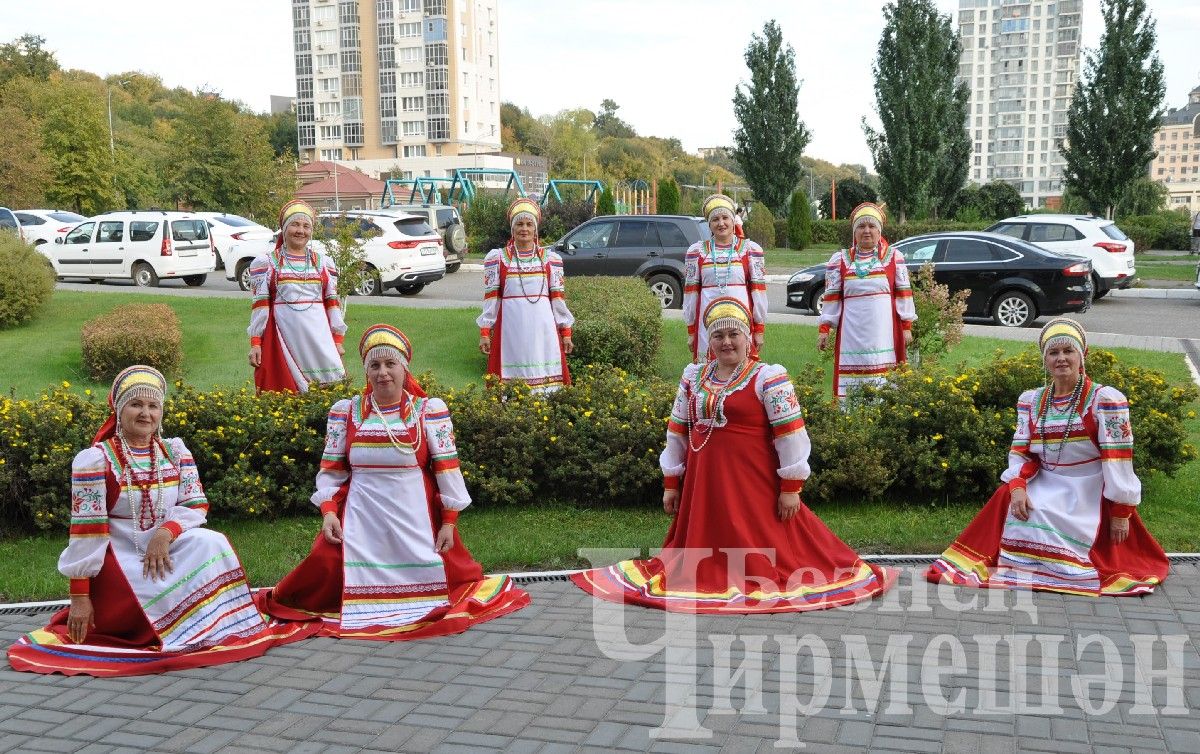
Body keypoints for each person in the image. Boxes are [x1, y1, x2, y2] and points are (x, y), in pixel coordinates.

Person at [572, 299, 894, 613]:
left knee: (772, 552)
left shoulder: (769, 379)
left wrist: (790, 489)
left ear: (748, 337)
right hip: (704, 488)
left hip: (751, 488)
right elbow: (678, 431)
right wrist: (672, 481)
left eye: (733, 334)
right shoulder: (693, 377)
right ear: (709, 340)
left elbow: (791, 436)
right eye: (718, 335)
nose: (726, 342)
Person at [8, 366, 314, 676]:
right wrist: (79, 597)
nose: (145, 413)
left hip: (166, 545)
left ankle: (207, 622)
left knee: (212, 541)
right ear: (118, 409)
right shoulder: (96, 460)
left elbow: (195, 504)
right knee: (138, 596)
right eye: (136, 405)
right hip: (119, 554)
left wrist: (164, 534)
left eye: (153, 406)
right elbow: (87, 533)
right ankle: (164, 623)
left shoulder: (174, 451)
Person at [259, 324, 530, 638]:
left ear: (405, 368)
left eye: (391, 364)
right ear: (366, 371)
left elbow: (447, 470)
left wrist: (449, 522)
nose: (383, 372)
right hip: (362, 512)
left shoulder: (428, 411)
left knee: (450, 573)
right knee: (325, 563)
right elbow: (332, 471)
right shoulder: (345, 413)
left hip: (413, 512)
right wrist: (330, 512)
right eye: (374, 365)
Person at [927, 318, 1169, 596]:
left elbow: (1118, 459)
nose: (1061, 358)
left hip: (1088, 486)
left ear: (1082, 356)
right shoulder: (1031, 401)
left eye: (1068, 351)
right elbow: (1020, 451)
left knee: (1040, 512)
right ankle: (1013, 562)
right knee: (1007, 496)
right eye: (1053, 353)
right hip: (1047, 478)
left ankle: (1063, 566)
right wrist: (1018, 486)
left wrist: (1121, 512)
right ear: (1045, 360)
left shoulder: (1105, 400)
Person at [817, 202, 916, 400]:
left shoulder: (893, 257)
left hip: (883, 331)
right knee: (852, 373)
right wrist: (824, 330)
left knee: (882, 371)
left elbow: (903, 293)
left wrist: (906, 326)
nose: (867, 231)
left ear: (880, 231)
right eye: (861, 226)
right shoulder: (841, 259)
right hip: (851, 333)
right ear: (854, 232)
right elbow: (832, 297)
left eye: (872, 227)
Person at [248, 199, 347, 393]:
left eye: (306, 226)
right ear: (284, 229)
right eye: (294, 224)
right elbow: (260, 307)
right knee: (285, 395)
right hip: (283, 337)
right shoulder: (267, 263)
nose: (300, 231)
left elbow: (333, 304)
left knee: (327, 390)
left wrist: (337, 340)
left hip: (319, 339)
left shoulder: (323, 263)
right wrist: (256, 343)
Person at [477, 197, 574, 392]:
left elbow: (557, 300)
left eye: (529, 224)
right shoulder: (498, 258)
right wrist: (485, 333)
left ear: (535, 229)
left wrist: (566, 333)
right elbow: (492, 300)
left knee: (545, 370)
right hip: (511, 328)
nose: (524, 229)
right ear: (512, 229)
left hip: (543, 328)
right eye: (519, 224)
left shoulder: (550, 259)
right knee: (511, 376)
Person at [683, 194, 767, 362]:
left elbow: (758, 293)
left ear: (732, 220)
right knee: (709, 368)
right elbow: (691, 295)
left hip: (741, 321)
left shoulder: (749, 250)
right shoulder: (697, 252)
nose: (721, 223)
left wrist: (758, 330)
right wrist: (691, 331)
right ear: (709, 225)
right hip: (706, 324)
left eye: (725, 218)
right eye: (715, 219)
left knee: (741, 368)